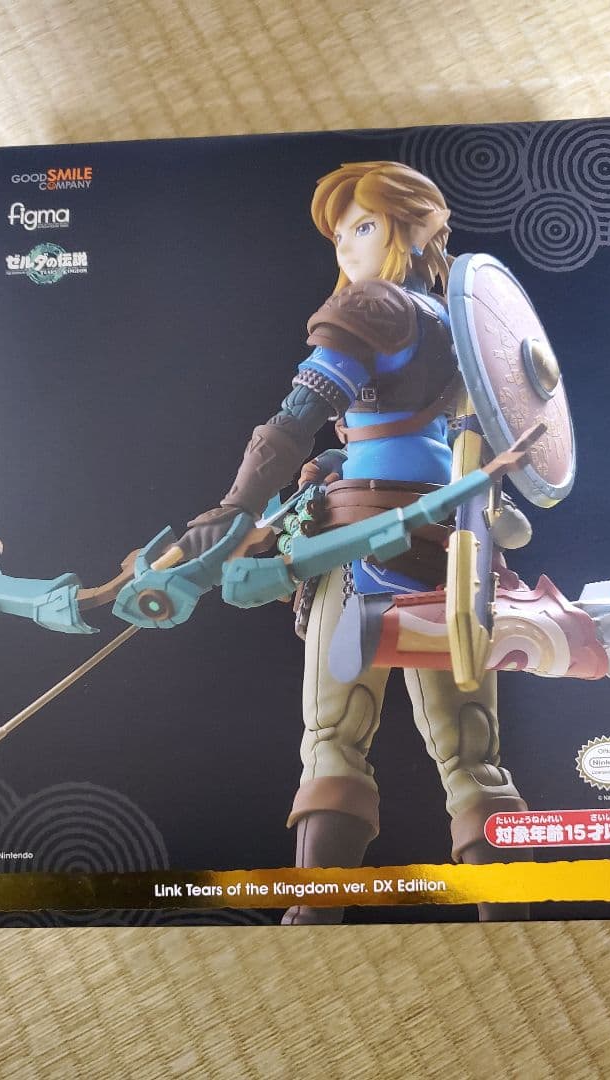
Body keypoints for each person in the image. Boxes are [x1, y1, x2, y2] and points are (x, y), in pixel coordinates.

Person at [177, 161, 529, 923]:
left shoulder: (370, 306)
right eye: (341, 234)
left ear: (416, 230)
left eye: (364, 226)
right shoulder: (460, 325)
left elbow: (293, 418)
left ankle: (314, 916)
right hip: (455, 546)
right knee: (472, 754)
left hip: (365, 544)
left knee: (335, 737)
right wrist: (332, 467)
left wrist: (236, 506)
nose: (348, 247)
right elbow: (422, 436)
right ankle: (512, 919)